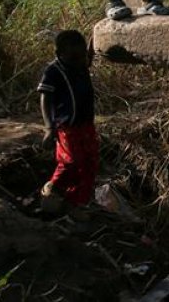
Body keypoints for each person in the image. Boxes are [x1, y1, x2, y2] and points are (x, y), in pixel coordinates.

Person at [37, 30, 97, 212]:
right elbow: (45, 98)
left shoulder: (80, 63)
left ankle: (79, 202)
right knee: (71, 161)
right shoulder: (53, 71)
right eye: (75, 58)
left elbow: (89, 55)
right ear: (59, 54)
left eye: (82, 57)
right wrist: (49, 127)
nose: (81, 62)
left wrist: (95, 38)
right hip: (67, 127)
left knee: (90, 163)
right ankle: (54, 187)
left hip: (86, 124)